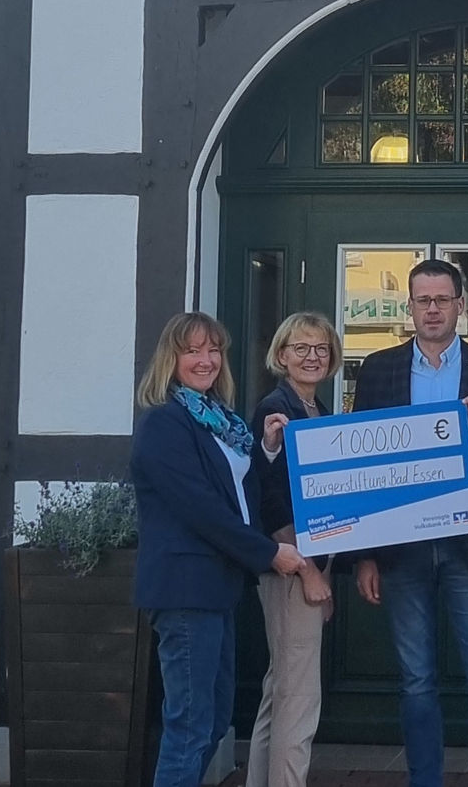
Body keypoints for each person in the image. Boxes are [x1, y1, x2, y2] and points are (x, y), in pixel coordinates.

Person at [352, 259, 468, 787]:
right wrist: (363, 552)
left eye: (442, 300)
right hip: (401, 552)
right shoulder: (380, 368)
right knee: (415, 682)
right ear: (409, 307)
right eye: (422, 300)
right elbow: (362, 472)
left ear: (460, 305)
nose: (432, 309)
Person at [131, 312, 307, 787]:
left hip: (219, 588)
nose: (205, 360)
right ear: (172, 359)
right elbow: (203, 509)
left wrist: (267, 449)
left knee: (212, 720)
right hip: (186, 590)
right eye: (193, 351)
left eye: (213, 350)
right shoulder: (165, 424)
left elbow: (239, 495)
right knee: (189, 727)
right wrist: (270, 554)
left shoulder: (220, 423)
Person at [244, 311, 344, 787]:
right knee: (299, 698)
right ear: (281, 355)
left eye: (321, 348)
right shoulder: (275, 409)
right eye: (301, 348)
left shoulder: (317, 410)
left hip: (307, 569)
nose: (312, 356)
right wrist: (309, 572)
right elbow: (268, 499)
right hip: (288, 571)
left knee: (280, 690)